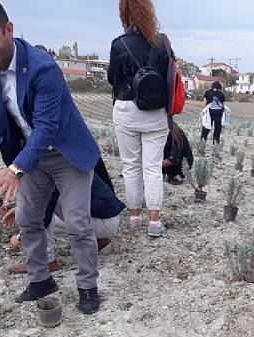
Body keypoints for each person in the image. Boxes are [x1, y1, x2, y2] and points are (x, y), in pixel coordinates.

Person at [0, 0, 102, 314]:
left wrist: (16, 168)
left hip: (66, 153)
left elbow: (47, 127)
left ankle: (87, 286)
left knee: (78, 223)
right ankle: (41, 280)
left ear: (8, 30)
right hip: (30, 155)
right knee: (27, 219)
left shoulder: (43, 67)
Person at [108, 0, 173, 237]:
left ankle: (135, 216)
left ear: (124, 14)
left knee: (131, 166)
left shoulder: (119, 44)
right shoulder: (161, 43)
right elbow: (169, 78)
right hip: (155, 112)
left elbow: (112, 79)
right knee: (152, 168)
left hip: (126, 110)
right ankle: (154, 221)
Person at [5, 159, 125, 274]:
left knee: (38, 196)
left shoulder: (45, 158)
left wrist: (21, 236)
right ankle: (99, 239)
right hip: (110, 216)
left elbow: (45, 205)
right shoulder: (70, 147)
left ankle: (46, 260)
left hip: (98, 221)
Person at [163, 118, 193, 184]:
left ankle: (176, 175)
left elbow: (173, 157)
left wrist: (156, 165)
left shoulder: (175, 131)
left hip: (182, 163)